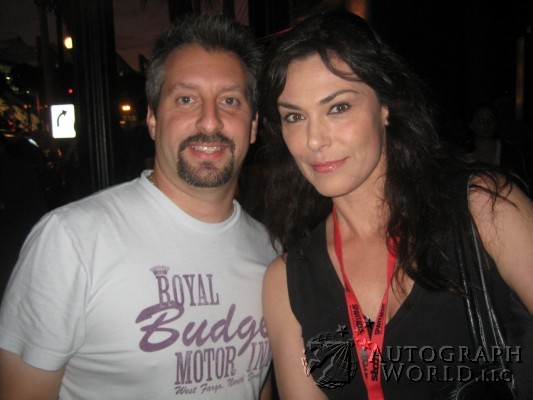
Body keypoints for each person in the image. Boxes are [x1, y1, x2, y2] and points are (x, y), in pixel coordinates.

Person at [0, 14, 277, 399]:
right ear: (152, 119)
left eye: (229, 101)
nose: (210, 122)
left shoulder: (271, 251)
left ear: (253, 124)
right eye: (186, 99)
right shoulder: (71, 241)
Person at [260, 11, 533, 399]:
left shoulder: (482, 207)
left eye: (338, 107)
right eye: (294, 116)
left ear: (384, 106)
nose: (314, 140)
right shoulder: (287, 279)